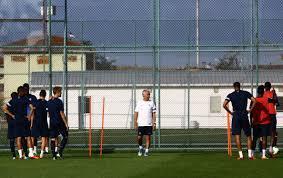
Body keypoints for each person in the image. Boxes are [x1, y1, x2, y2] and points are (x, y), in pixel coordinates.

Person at [223, 82, 256, 160]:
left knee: (237, 136)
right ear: (240, 86)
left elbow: (224, 104)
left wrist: (230, 112)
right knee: (248, 136)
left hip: (236, 116)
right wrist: (250, 110)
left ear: (234, 87)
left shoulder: (230, 95)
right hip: (244, 115)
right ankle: (250, 155)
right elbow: (254, 100)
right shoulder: (245, 93)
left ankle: (241, 156)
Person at [4, 86, 36, 159]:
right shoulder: (25, 99)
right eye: (23, 91)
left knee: (19, 137)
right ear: (21, 92)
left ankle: (21, 155)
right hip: (24, 120)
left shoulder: (14, 100)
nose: (24, 93)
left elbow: (4, 108)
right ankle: (29, 154)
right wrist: (29, 116)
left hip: (17, 120)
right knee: (26, 136)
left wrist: (12, 115)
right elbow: (32, 108)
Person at [47, 86, 68, 160]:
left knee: (53, 138)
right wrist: (66, 123)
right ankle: (59, 152)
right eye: (60, 92)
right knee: (65, 137)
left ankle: (53, 156)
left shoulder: (49, 102)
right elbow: (62, 113)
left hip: (52, 122)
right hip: (59, 122)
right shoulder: (59, 102)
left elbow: (48, 114)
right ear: (58, 92)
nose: (61, 93)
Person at [134, 89, 156, 157]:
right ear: (144, 95)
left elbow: (154, 113)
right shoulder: (139, 102)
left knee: (148, 138)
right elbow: (136, 112)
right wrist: (135, 122)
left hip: (149, 124)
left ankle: (146, 151)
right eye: (148, 94)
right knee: (139, 137)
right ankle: (140, 148)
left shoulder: (152, 103)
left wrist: (154, 123)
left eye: (149, 94)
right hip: (141, 123)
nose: (149, 95)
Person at [251, 85, 271, 160]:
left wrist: (251, 121)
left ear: (257, 92)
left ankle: (252, 155)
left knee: (255, 138)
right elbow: (273, 104)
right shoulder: (267, 99)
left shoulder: (254, 100)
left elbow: (251, 112)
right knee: (264, 138)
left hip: (256, 122)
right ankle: (263, 155)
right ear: (263, 92)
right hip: (265, 122)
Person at [31, 90, 49, 159]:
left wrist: (31, 123)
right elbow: (48, 113)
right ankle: (41, 153)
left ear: (39, 95)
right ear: (45, 95)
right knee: (43, 138)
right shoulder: (46, 103)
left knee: (33, 137)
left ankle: (32, 152)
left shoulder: (36, 102)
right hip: (43, 122)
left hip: (36, 122)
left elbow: (32, 112)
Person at [263, 82, 279, 155]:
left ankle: (265, 149)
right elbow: (277, 103)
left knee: (266, 132)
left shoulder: (264, 94)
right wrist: (273, 97)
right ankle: (270, 147)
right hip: (271, 114)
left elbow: (276, 102)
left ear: (265, 87)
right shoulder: (272, 94)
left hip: (267, 114)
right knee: (272, 131)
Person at [23, 83, 38, 155]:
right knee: (25, 136)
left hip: (32, 118)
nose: (26, 90)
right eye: (25, 89)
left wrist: (31, 113)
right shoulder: (21, 98)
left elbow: (35, 107)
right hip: (24, 118)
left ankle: (33, 150)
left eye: (27, 89)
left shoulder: (32, 97)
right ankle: (26, 150)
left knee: (33, 135)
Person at [2, 92, 18, 159]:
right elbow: (4, 108)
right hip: (16, 122)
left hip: (11, 122)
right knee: (19, 137)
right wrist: (12, 115)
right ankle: (21, 154)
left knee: (12, 139)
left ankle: (14, 155)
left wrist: (10, 115)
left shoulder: (10, 102)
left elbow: (4, 108)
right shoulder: (16, 101)